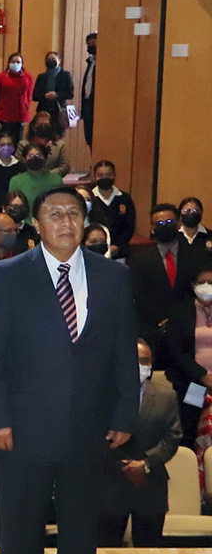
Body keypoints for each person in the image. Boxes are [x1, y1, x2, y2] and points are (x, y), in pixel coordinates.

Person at [0, 186, 135, 554]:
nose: (65, 222)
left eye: (74, 214)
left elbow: (124, 351)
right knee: (21, 522)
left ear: (84, 223)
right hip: (21, 427)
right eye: (55, 214)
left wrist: (125, 411)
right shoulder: (7, 276)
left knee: (82, 522)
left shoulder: (112, 277)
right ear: (37, 225)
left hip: (88, 425)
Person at [98, 339, 182, 548]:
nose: (140, 365)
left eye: (145, 361)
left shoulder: (166, 396)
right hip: (110, 486)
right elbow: (92, 436)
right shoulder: (101, 395)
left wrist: (144, 464)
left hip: (150, 487)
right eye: (135, 360)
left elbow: (172, 437)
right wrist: (124, 466)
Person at [132, 204, 210, 366]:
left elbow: (197, 291)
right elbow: (138, 295)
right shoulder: (140, 259)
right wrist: (161, 319)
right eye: (159, 224)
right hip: (153, 327)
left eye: (169, 221)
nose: (165, 226)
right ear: (152, 229)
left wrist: (176, 318)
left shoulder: (197, 256)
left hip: (188, 326)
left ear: (178, 224)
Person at [164, 266, 212, 447]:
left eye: (211, 283)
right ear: (193, 286)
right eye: (202, 283)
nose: (206, 287)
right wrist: (203, 375)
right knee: (190, 427)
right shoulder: (180, 312)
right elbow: (176, 351)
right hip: (193, 383)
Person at [87, 160, 136, 260]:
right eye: (101, 175)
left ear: (114, 175)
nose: (105, 178)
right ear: (95, 177)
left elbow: (129, 226)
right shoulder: (90, 198)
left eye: (108, 175)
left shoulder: (124, 198)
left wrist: (117, 246)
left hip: (119, 253)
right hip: (93, 252)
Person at [8, 143, 63, 214]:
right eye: (31, 156)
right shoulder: (16, 181)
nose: (35, 158)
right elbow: (14, 208)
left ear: (45, 158)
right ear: (24, 159)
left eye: (39, 155)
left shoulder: (56, 179)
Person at [0, 54, 34, 142]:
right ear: (8, 63)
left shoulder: (28, 77)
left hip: (20, 115)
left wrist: (26, 106)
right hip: (4, 115)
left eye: (18, 62)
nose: (15, 64)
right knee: (3, 140)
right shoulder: (1, 77)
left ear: (22, 63)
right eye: (13, 62)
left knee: (18, 141)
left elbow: (29, 95)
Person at [33, 51, 73, 123]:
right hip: (44, 110)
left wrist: (57, 95)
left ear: (59, 61)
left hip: (60, 110)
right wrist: (45, 96)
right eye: (49, 59)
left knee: (59, 133)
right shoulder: (41, 77)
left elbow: (70, 93)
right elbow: (35, 96)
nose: (51, 60)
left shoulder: (65, 75)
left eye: (53, 58)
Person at [81, 33, 97, 147]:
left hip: (96, 105)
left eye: (93, 43)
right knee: (89, 139)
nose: (90, 46)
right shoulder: (90, 62)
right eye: (89, 44)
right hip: (87, 106)